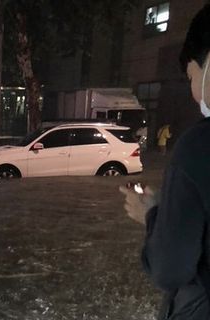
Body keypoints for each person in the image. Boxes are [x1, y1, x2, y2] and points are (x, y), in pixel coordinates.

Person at [120, 5, 210, 319]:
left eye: (190, 77)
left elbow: (170, 268)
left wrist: (153, 213)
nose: (193, 93)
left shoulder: (199, 146)